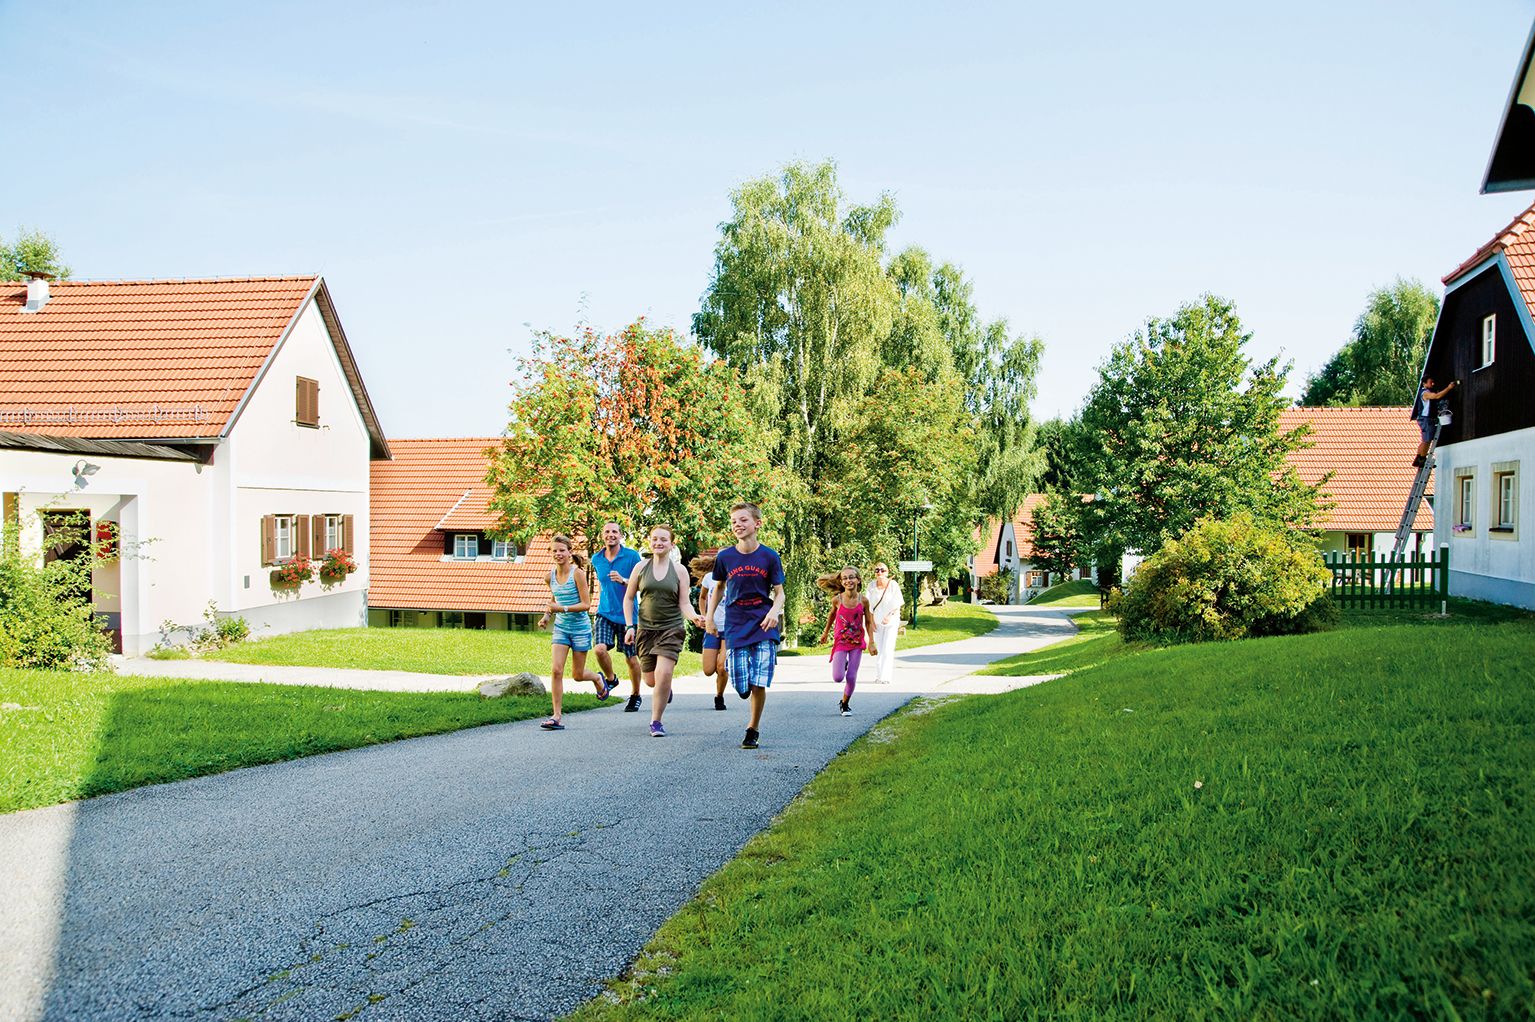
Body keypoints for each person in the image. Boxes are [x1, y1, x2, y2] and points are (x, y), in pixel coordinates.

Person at [707, 502, 785, 750]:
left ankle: (753, 729)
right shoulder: (725, 557)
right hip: (736, 622)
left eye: (743, 520)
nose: (737, 525)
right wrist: (709, 617)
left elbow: (780, 593)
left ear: (757, 524)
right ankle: (744, 690)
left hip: (763, 623)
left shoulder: (769, 556)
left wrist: (774, 611)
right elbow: (718, 587)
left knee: (759, 679)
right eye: (733, 522)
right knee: (742, 685)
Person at [623, 525, 705, 738]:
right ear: (650, 542)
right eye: (655, 539)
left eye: (663, 540)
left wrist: (695, 616)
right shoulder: (640, 568)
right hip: (645, 630)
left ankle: (656, 721)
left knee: (664, 673)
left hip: (671, 629)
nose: (658, 543)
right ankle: (664, 689)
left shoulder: (679, 571)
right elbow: (629, 598)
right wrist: (629, 626)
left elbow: (685, 603)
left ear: (671, 544)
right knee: (650, 680)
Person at [536, 534, 609, 730]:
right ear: (550, 553)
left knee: (577, 675)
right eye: (555, 551)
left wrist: (563, 609)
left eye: (562, 550)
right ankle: (556, 716)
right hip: (561, 628)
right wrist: (546, 617)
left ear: (569, 552)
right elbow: (554, 599)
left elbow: (586, 605)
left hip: (580, 630)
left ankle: (597, 678)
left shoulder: (577, 574)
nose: (558, 554)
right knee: (556, 670)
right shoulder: (549, 576)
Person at [590, 521, 645, 712]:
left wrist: (623, 581)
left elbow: (641, 583)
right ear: (602, 535)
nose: (610, 534)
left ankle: (636, 695)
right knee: (599, 650)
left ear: (621, 535)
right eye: (607, 531)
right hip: (605, 612)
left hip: (628, 616)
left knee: (631, 659)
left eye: (615, 531)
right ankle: (611, 679)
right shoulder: (596, 559)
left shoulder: (631, 556)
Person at [817, 566, 877, 717]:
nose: (848, 580)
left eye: (851, 577)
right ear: (841, 582)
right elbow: (831, 616)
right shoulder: (837, 600)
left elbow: (869, 622)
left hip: (856, 643)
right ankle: (843, 662)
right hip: (841, 642)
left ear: (858, 580)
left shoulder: (863, 601)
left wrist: (871, 642)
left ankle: (845, 704)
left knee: (851, 677)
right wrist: (825, 633)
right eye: (845, 578)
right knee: (838, 678)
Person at [690, 553, 731, 711]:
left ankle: (719, 696)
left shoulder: (737, 577)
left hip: (730, 627)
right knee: (708, 670)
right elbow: (702, 597)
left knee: (721, 666)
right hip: (712, 627)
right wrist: (705, 617)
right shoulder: (709, 577)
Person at [865, 563, 903, 683]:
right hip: (877, 622)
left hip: (891, 622)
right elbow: (868, 605)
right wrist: (871, 621)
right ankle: (879, 676)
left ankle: (886, 677)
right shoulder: (871, 586)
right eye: (877, 570)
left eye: (882, 570)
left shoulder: (893, 585)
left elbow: (898, 603)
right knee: (880, 649)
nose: (880, 572)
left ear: (887, 572)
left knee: (887, 649)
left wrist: (889, 616)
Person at [1412, 375, 1459, 467]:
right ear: (1424, 383)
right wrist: (1449, 388)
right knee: (1427, 439)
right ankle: (1422, 459)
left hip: (1425, 418)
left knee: (1425, 439)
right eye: (1430, 382)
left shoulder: (1426, 392)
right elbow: (1437, 396)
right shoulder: (1425, 393)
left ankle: (1418, 458)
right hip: (1426, 419)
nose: (1432, 383)